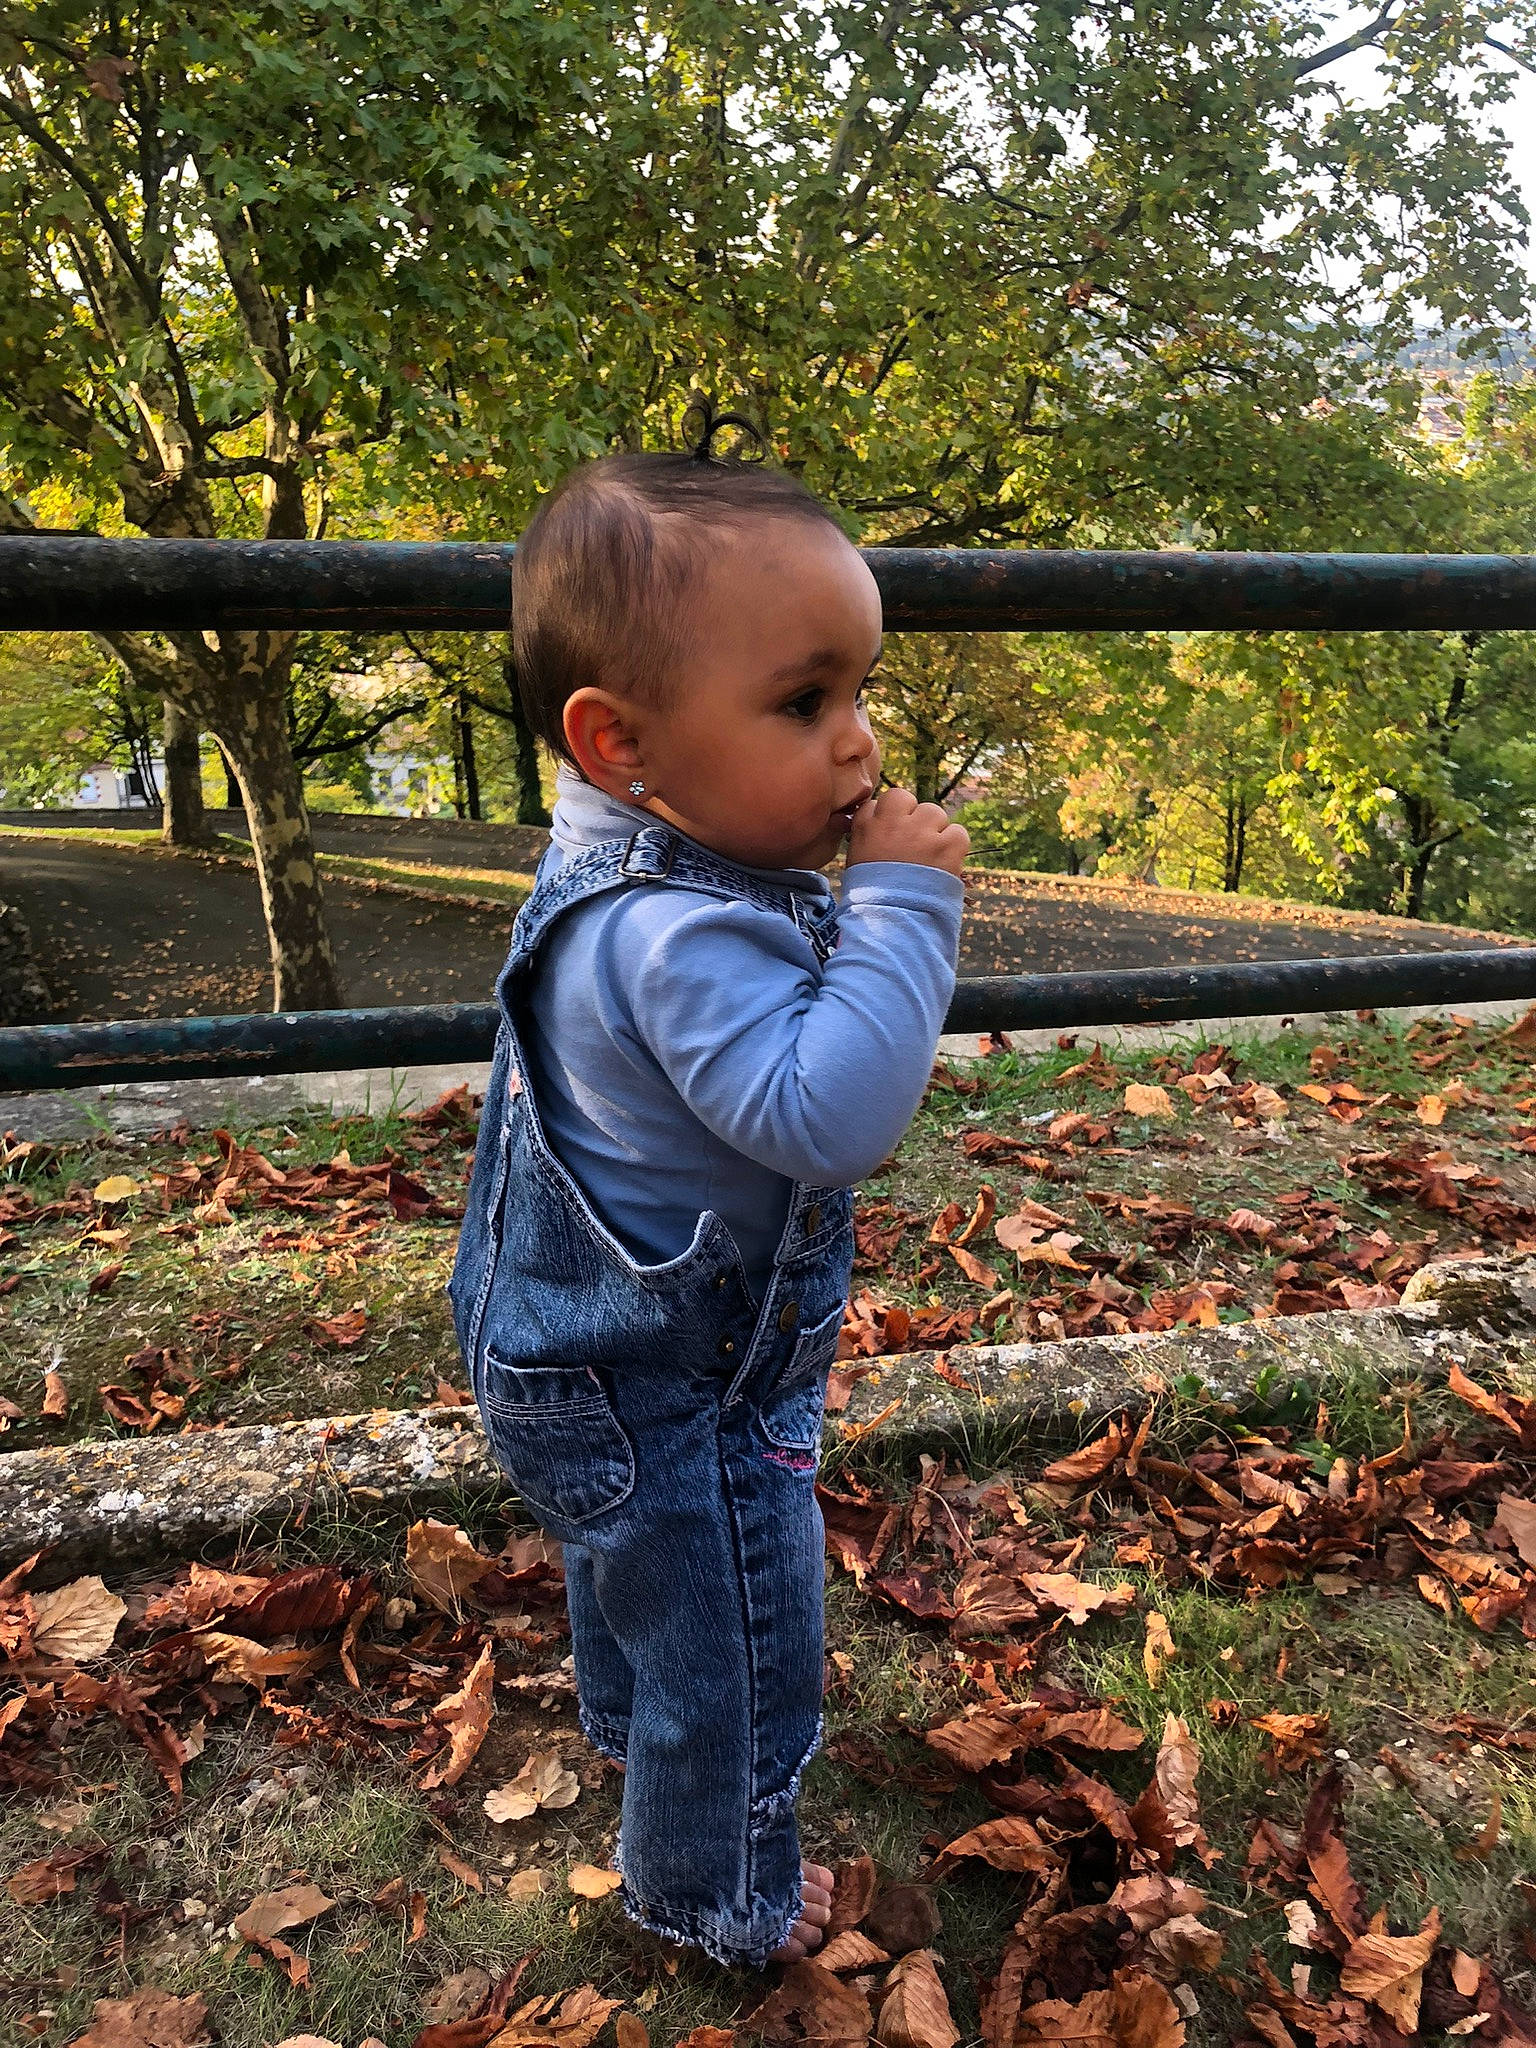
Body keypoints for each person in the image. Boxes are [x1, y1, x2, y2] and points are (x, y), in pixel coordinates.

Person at [448, 415, 968, 1971]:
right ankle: (713, 1891)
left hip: (569, 1344)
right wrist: (907, 910)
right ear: (625, 746)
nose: (861, 744)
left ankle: (626, 1737)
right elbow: (829, 1113)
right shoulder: (678, 934)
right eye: (807, 702)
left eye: (861, 691)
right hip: (665, 1382)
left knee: (646, 1592)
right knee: (741, 1651)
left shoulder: (617, 856)